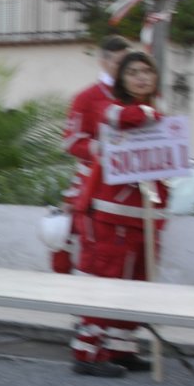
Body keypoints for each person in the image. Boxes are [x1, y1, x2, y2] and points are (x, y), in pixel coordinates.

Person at [70, 51, 165, 377]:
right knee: (106, 281)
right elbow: (128, 119)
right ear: (121, 78)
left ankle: (121, 348)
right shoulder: (109, 108)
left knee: (137, 284)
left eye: (147, 72)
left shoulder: (156, 113)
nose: (141, 77)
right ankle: (88, 352)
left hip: (143, 217)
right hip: (111, 215)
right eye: (134, 72)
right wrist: (152, 113)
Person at [58, 37, 134, 273]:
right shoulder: (87, 97)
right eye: (119, 63)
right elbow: (71, 142)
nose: (124, 70)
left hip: (131, 191)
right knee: (98, 256)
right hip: (96, 187)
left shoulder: (138, 96)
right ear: (103, 62)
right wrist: (104, 148)